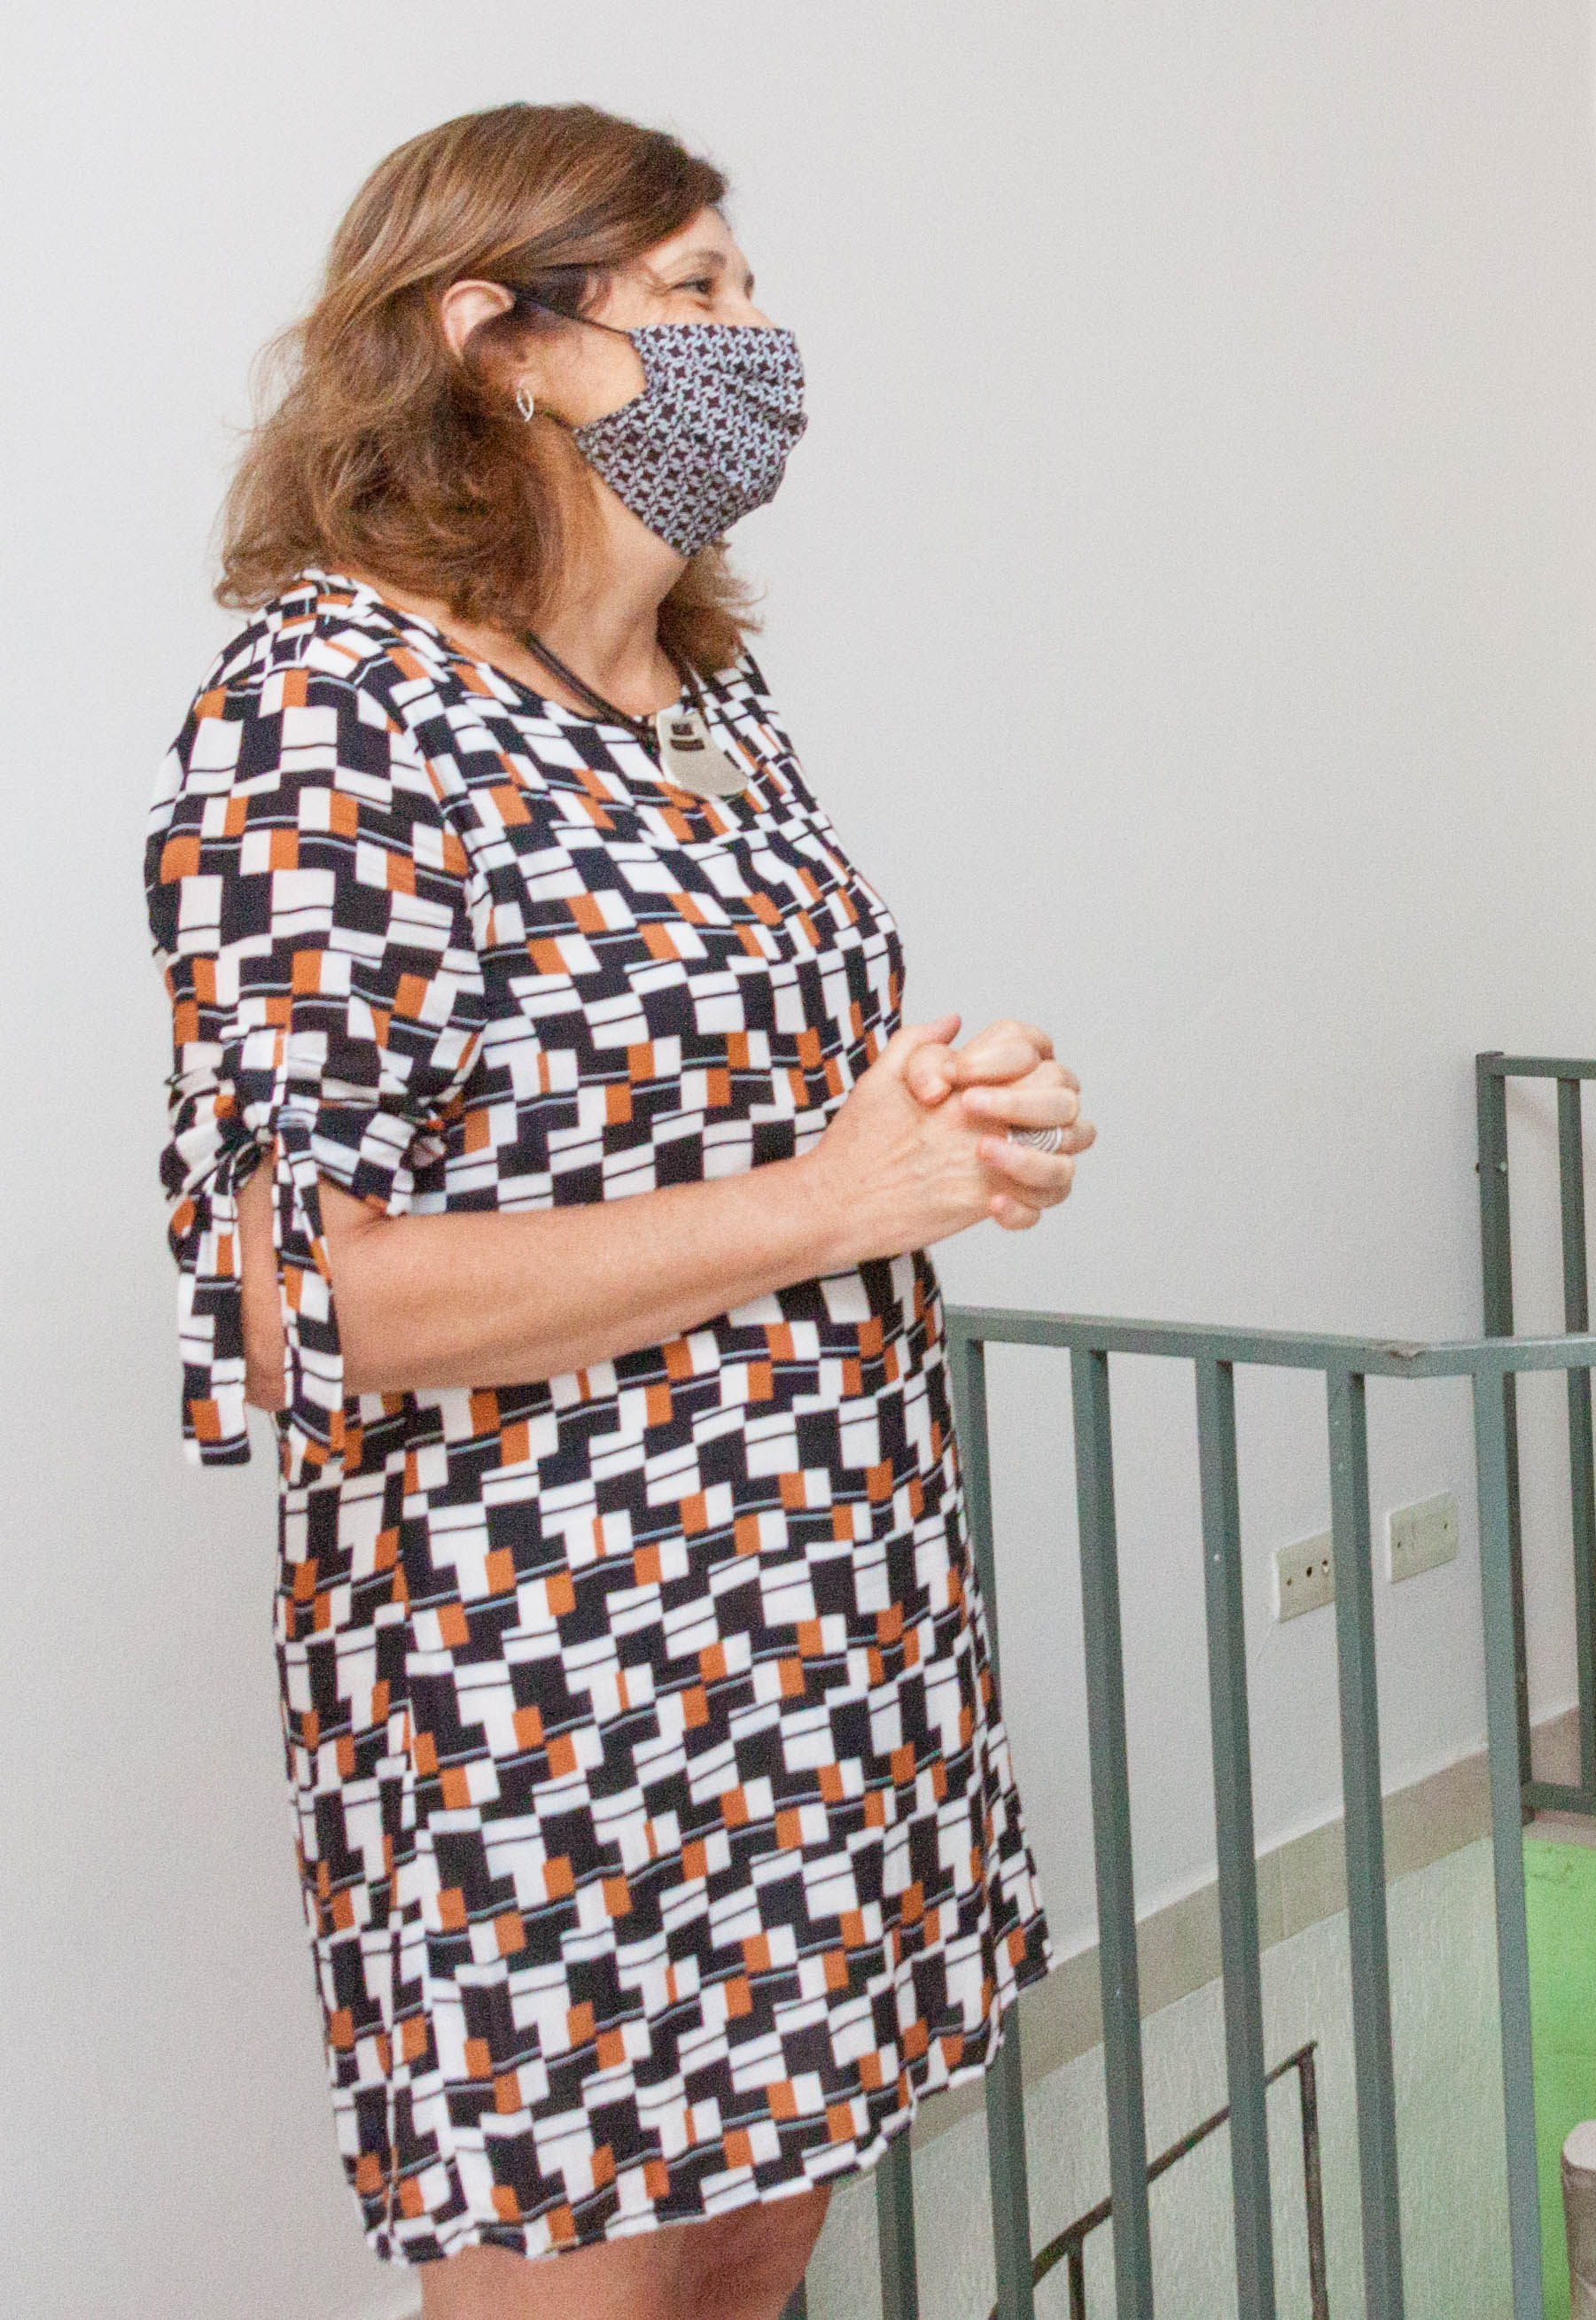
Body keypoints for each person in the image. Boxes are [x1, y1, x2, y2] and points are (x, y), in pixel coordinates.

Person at [146, 105, 1079, 2320]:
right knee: (593, 2278)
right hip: (548, 1664)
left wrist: (929, 1113)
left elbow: (703, 1108)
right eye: (696, 299)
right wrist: (826, 1191)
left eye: (748, 289)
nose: (761, 342)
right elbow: (297, 1300)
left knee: (759, 2238)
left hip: (828, 1610)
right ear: (494, 342)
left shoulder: (703, 696)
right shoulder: (325, 715)